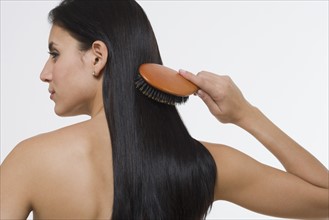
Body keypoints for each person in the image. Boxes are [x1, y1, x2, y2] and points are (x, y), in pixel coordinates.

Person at [1, 0, 328, 219]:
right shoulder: (201, 164)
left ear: (97, 57)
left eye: (55, 53)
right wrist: (245, 114)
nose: (45, 72)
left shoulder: (31, 160)